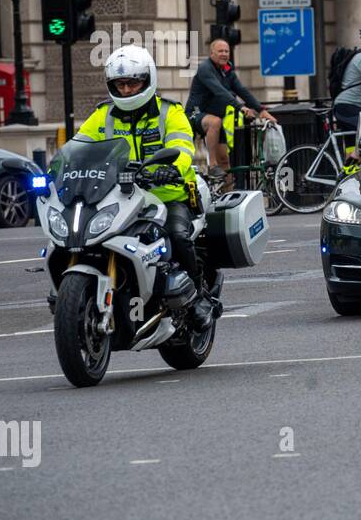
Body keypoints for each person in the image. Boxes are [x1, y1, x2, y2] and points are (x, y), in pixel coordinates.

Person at [75, 45, 213, 330]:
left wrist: (170, 169)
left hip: (168, 195)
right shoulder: (103, 115)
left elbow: (182, 145)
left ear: (147, 81)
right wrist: (58, 168)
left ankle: (198, 299)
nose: (126, 90)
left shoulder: (169, 112)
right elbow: (78, 146)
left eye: (132, 83)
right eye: (120, 84)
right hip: (119, 197)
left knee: (177, 235)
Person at [186, 38, 277, 183]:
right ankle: (212, 165)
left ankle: (227, 197)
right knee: (214, 122)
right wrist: (240, 106)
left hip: (216, 120)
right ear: (211, 53)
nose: (224, 54)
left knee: (225, 161)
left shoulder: (227, 70)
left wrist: (261, 110)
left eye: (226, 51)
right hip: (195, 113)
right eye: (220, 51)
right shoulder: (205, 68)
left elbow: (241, 90)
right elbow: (220, 91)